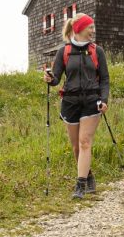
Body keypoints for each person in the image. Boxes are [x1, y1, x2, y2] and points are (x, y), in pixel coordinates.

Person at [45, 13, 109, 200]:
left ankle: (80, 185)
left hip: (92, 101)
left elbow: (104, 79)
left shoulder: (98, 51)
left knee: (84, 142)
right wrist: (50, 79)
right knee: (76, 147)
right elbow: (56, 79)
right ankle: (88, 176)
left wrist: (104, 99)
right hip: (70, 103)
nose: (93, 31)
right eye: (90, 27)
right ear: (79, 28)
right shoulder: (63, 52)